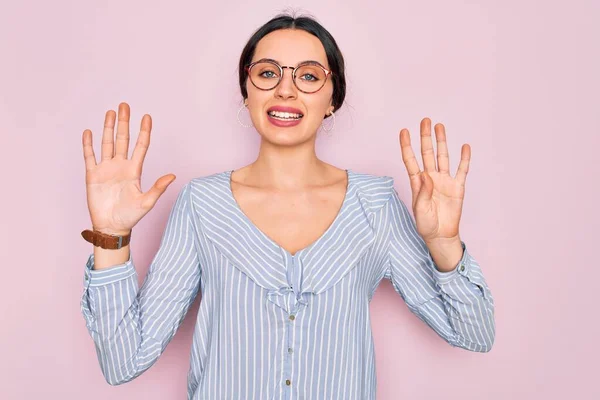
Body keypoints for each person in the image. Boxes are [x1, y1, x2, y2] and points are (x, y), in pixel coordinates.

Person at [80, 12, 495, 400]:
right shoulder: (201, 205)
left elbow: (475, 333)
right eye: (267, 73)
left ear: (333, 98)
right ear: (247, 92)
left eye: (310, 76)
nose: (286, 88)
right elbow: (123, 362)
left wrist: (444, 242)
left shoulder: (376, 205)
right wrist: (111, 238)